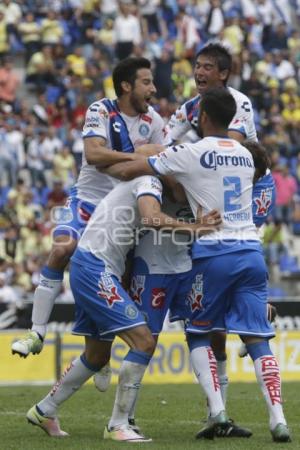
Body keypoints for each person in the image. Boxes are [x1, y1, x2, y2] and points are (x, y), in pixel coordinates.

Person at [101, 87, 291, 443]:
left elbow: (138, 167)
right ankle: (279, 420)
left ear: (202, 117)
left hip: (213, 253)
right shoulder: (246, 156)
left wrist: (106, 163)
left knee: (200, 331)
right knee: (257, 339)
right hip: (251, 251)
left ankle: (217, 411)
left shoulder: (193, 152)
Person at [26, 173, 221, 442]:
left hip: (97, 267)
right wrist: (196, 227)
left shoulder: (147, 188)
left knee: (96, 356)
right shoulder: (150, 182)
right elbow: (152, 219)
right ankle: (117, 424)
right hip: (94, 268)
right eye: (184, 181)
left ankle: (44, 410)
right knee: (143, 342)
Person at [11, 57, 169, 358]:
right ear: (126, 86)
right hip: (88, 200)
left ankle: (102, 350)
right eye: (146, 82)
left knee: (117, 279)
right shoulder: (101, 110)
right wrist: (138, 157)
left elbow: (163, 161)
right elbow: (94, 155)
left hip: (123, 210)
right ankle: (36, 331)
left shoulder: (155, 122)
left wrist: (135, 160)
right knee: (60, 250)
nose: (154, 88)